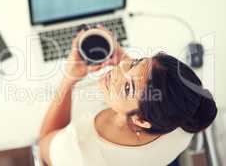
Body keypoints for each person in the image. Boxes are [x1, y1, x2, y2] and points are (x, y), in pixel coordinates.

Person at [38, 26, 217, 166]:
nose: (118, 69)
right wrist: (122, 56)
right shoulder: (184, 125)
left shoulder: (77, 149)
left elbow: (43, 147)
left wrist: (69, 79)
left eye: (127, 88)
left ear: (140, 120)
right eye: (136, 62)